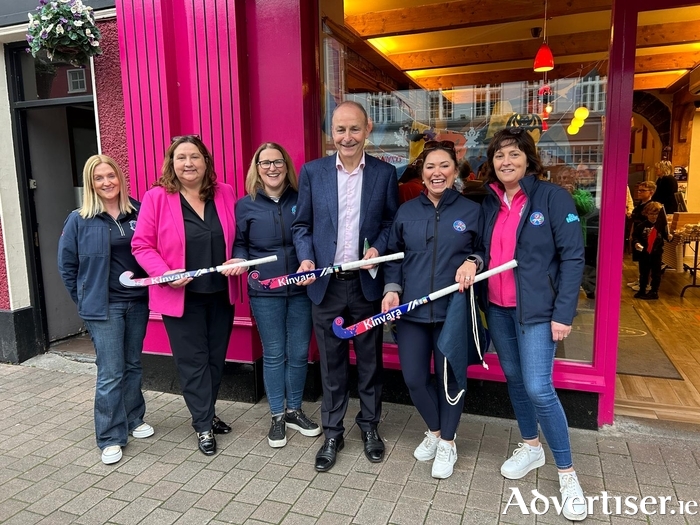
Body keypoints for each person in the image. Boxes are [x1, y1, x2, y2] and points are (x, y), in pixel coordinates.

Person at [479, 128, 587, 521]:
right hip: (499, 306)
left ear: (528, 158)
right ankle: (531, 447)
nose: (506, 161)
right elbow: (480, 248)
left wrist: (563, 313)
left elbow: (574, 258)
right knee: (515, 380)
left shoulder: (552, 197)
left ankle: (568, 473)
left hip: (539, 311)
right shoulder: (491, 202)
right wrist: (473, 263)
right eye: (499, 155)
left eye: (513, 154)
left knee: (540, 387)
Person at [292, 100, 399, 472]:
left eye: (354, 129)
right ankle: (332, 431)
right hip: (327, 286)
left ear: (367, 129)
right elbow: (301, 226)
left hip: (367, 285)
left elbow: (390, 224)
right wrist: (306, 258)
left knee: (370, 362)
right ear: (331, 133)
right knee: (332, 365)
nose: (347, 137)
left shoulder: (385, 175)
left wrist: (378, 247)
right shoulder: (313, 172)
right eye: (340, 130)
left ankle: (369, 426)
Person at [381, 141, 482, 479]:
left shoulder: (470, 210)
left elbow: (485, 251)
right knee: (413, 378)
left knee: (449, 381)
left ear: (455, 170)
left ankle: (448, 442)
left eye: (443, 166)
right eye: (429, 167)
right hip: (412, 312)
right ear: (421, 173)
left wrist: (473, 261)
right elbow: (395, 257)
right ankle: (437, 432)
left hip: (452, 311)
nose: (436, 173)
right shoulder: (407, 211)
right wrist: (392, 290)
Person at [132, 135, 238, 456]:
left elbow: (239, 236)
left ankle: (208, 410)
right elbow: (142, 244)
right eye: (181, 158)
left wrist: (238, 258)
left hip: (220, 292)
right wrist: (164, 272)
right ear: (172, 163)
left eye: (195, 157)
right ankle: (202, 425)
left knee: (215, 360)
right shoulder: (157, 197)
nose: (188, 163)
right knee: (193, 363)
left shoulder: (225, 193)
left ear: (206, 162)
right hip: (181, 297)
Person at [58, 155, 153, 465]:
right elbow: (67, 266)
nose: (106, 182)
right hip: (103, 306)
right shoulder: (79, 219)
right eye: (98, 178)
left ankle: (134, 418)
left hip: (137, 301)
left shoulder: (137, 211)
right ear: (91, 184)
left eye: (110, 176)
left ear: (119, 178)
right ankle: (110, 435)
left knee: (133, 364)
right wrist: (85, 298)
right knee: (111, 372)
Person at [229, 142, 321, 448]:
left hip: (300, 288)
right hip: (264, 290)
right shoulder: (246, 205)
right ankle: (277, 415)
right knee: (274, 353)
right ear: (256, 168)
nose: (272, 168)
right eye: (265, 163)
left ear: (286, 166)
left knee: (298, 353)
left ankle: (294, 410)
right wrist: (239, 259)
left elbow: (309, 235)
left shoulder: (301, 199)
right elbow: (240, 243)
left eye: (278, 162)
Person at [632, 201, 668, 300]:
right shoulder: (641, 226)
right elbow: (635, 236)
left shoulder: (661, 227)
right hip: (644, 253)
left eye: (656, 214)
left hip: (657, 253)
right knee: (643, 272)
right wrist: (636, 243)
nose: (653, 216)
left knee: (656, 273)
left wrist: (670, 237)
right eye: (651, 213)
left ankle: (654, 291)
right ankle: (642, 290)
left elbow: (666, 237)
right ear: (646, 214)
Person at [627, 181, 656, 291]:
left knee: (646, 261)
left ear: (651, 192)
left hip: (646, 236)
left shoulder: (652, 206)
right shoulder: (640, 204)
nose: (639, 192)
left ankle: (646, 283)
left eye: (643, 190)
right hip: (638, 234)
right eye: (639, 190)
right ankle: (640, 279)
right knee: (640, 260)